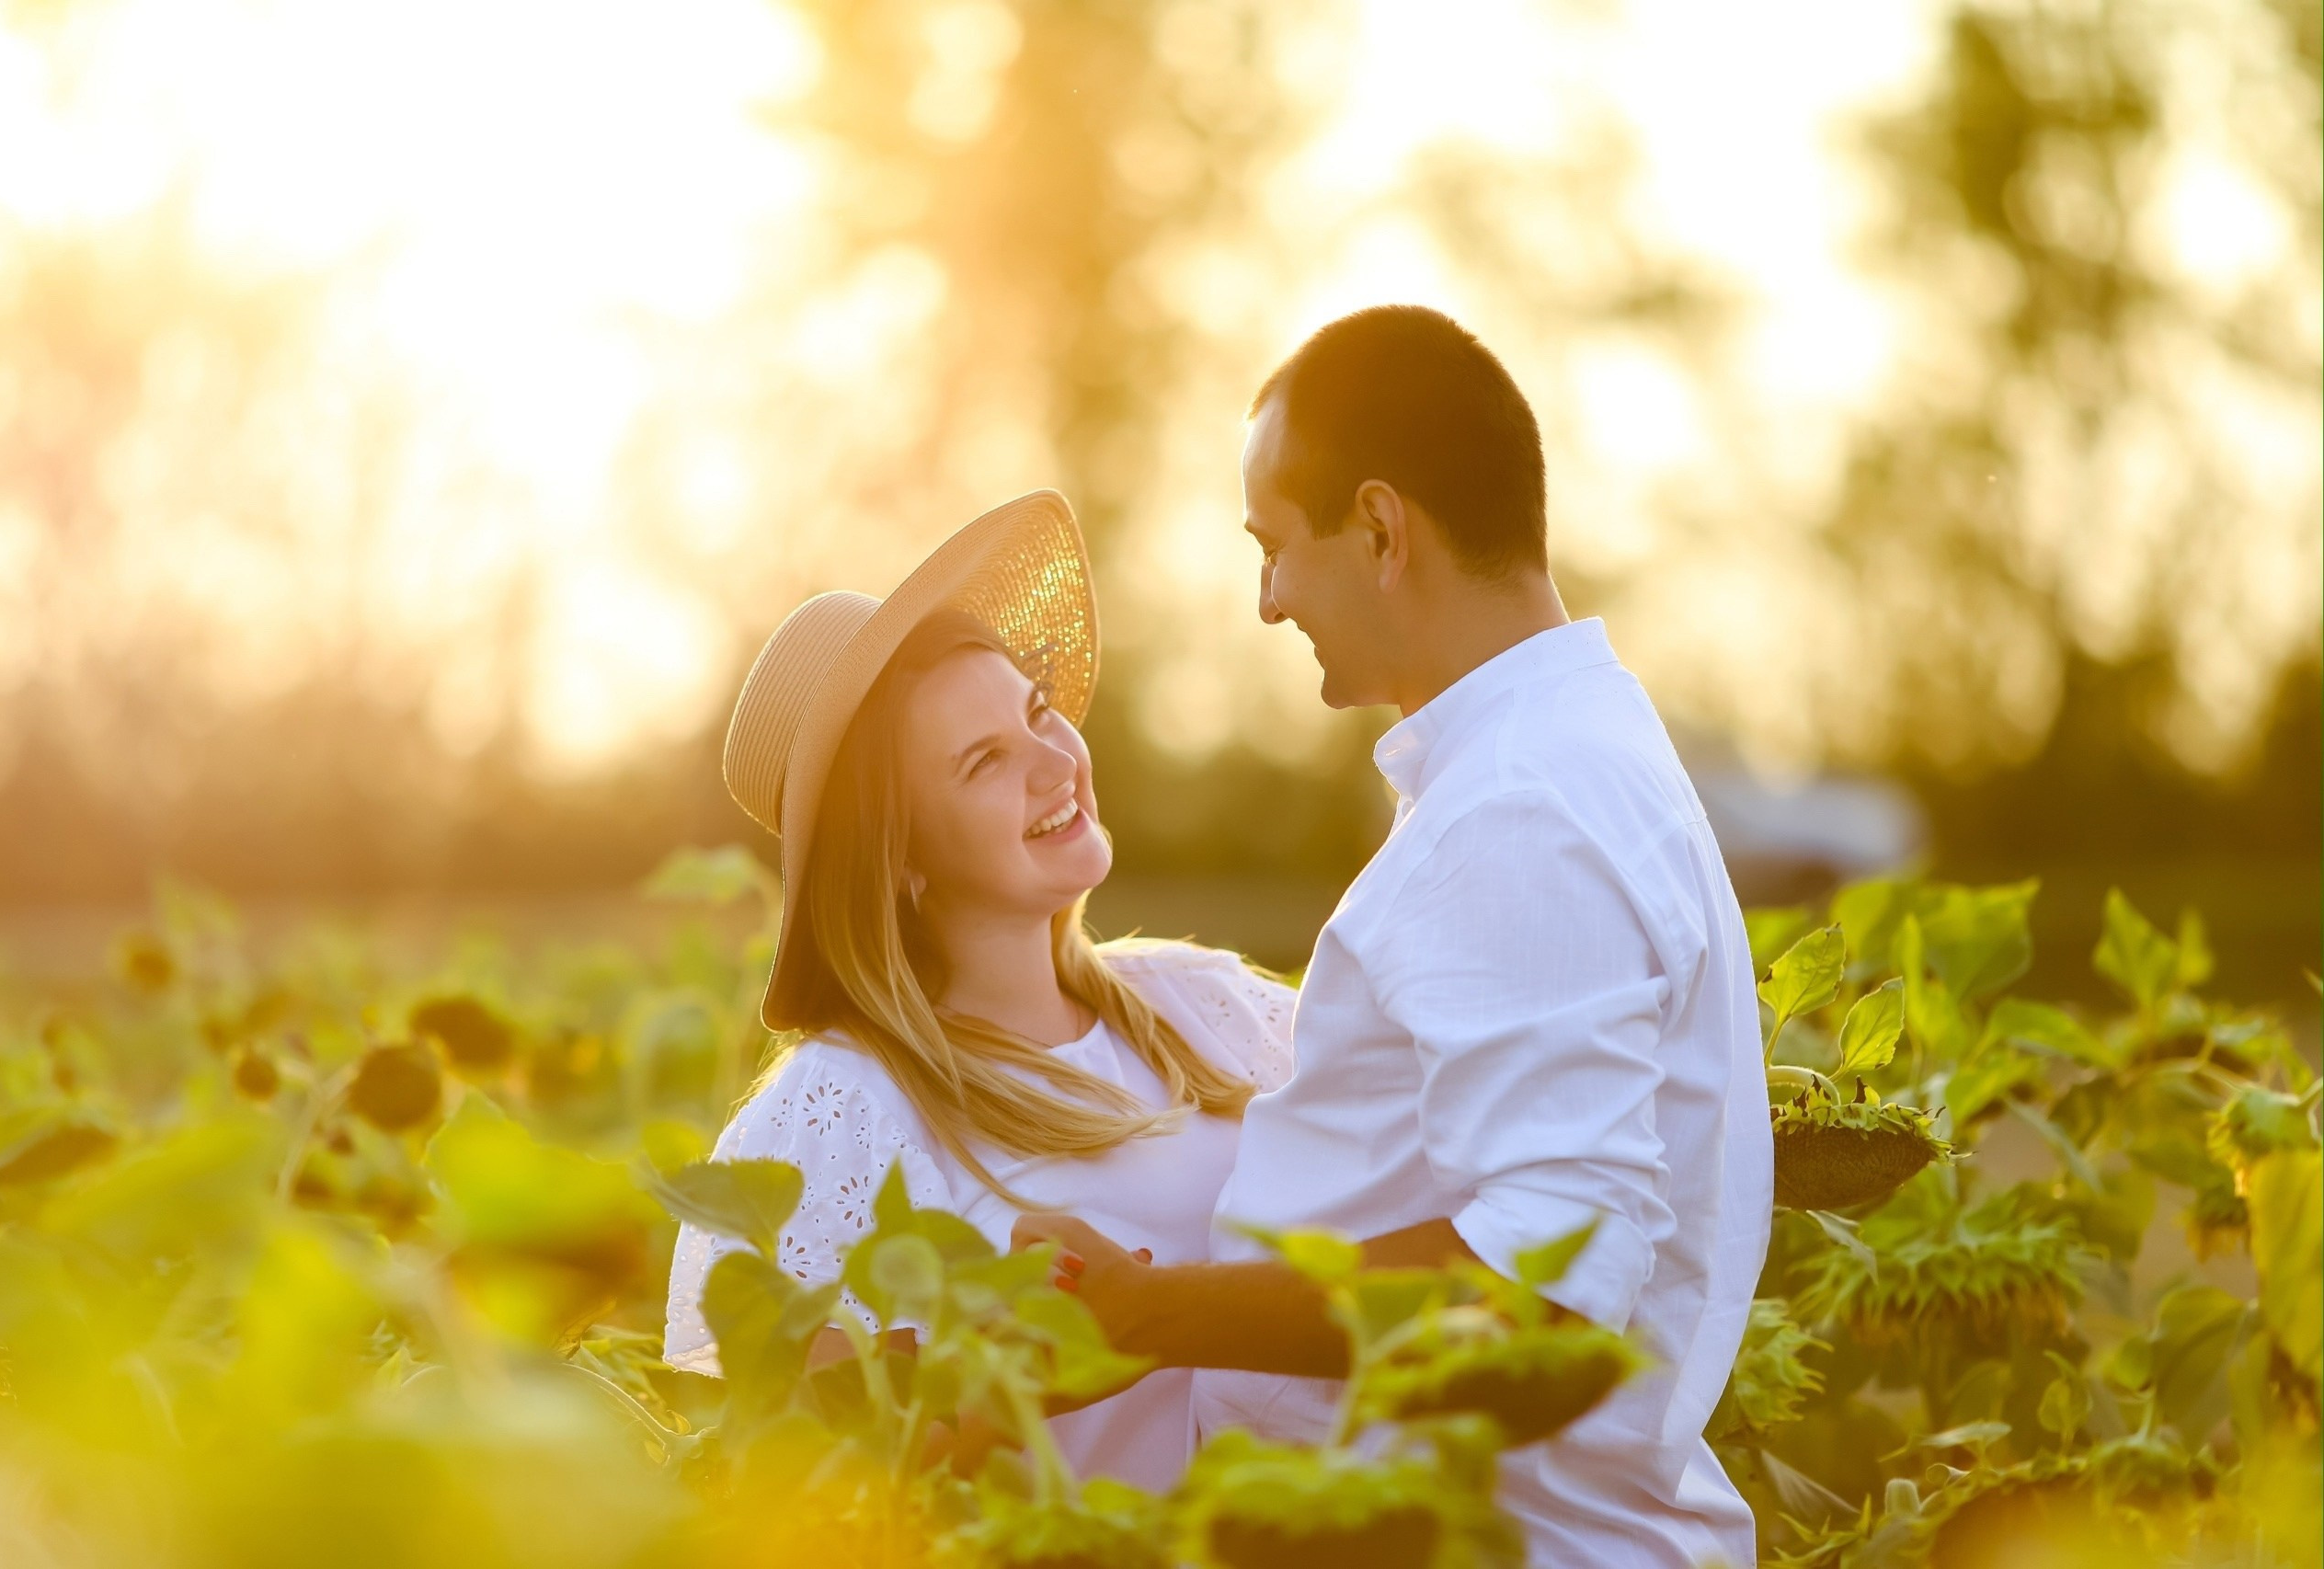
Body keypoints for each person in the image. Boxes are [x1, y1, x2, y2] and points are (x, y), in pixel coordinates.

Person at [1014, 306, 1774, 1567]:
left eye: (1273, 547)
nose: (1265, 603)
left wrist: (1144, 1309)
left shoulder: (1520, 808)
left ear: (1379, 528)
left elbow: (1545, 1296)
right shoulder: (1565, 760)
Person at [661, 491, 1296, 1494]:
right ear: (902, 860)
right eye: (983, 760)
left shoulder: (1208, 1005)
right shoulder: (831, 1113)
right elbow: (797, 1484)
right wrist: (1013, 1373)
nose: (1055, 763)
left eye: (1036, 713)